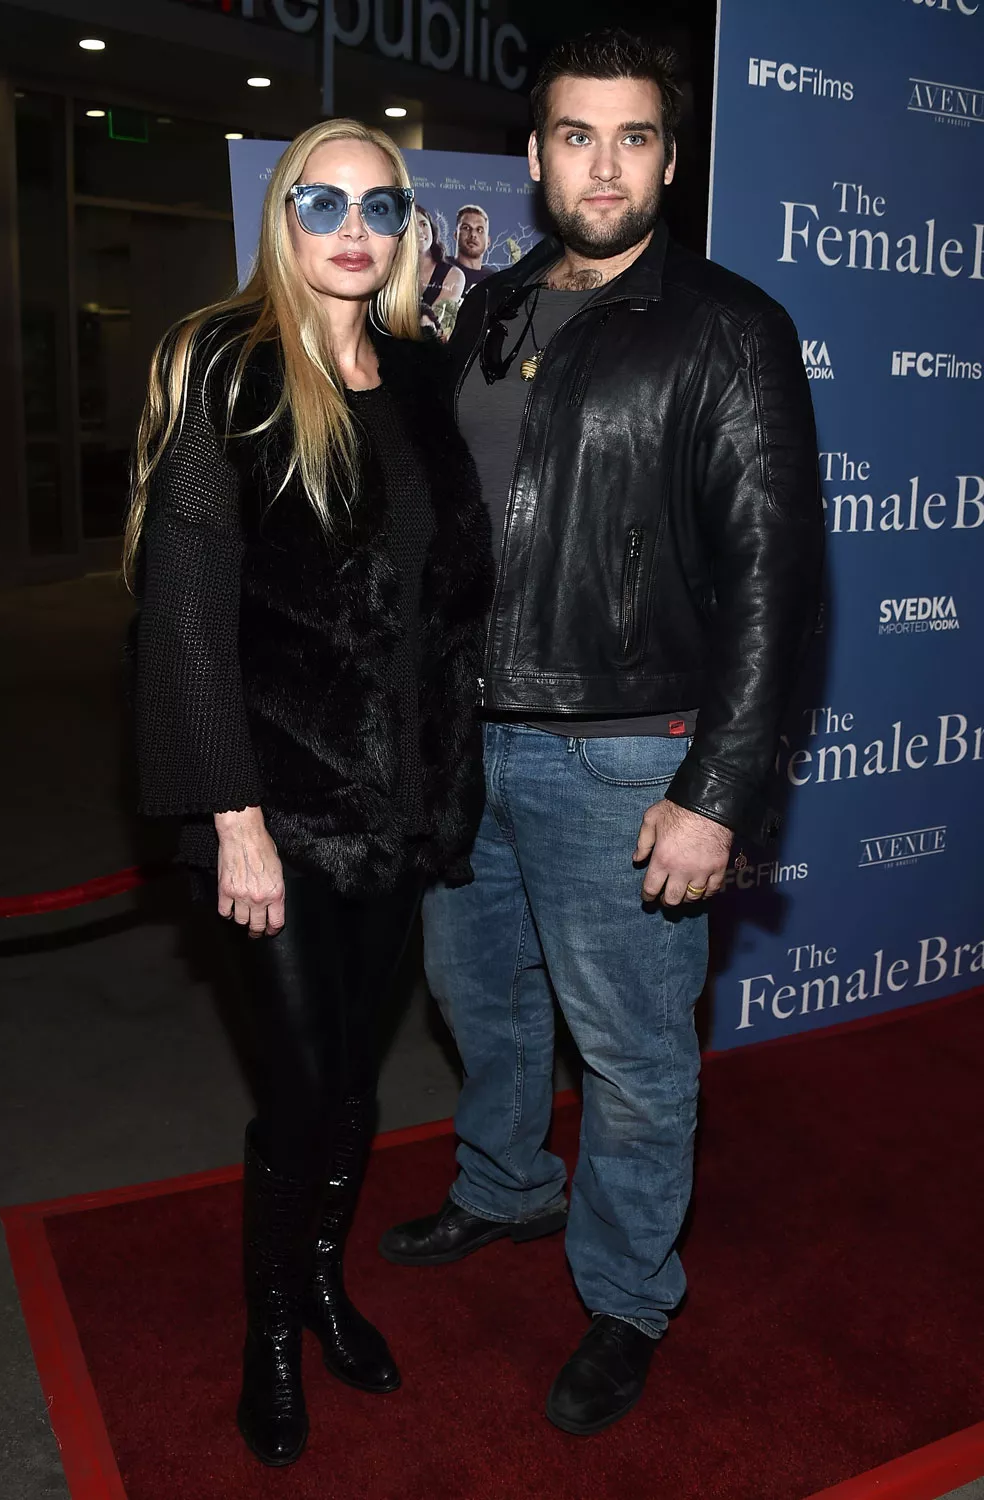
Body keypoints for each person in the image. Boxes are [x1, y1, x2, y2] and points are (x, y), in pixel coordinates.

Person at [380, 29, 824, 1437]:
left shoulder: (728, 324)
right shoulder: (488, 311)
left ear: (671, 159)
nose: (606, 165)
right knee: (481, 1001)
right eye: (578, 136)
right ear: (533, 156)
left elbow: (779, 578)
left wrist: (720, 793)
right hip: (473, 744)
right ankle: (507, 1187)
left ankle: (629, 1292)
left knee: (631, 1053)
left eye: (635, 138)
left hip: (628, 754)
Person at [126, 119, 492, 1467]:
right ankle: (272, 1328)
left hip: (396, 806)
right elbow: (182, 616)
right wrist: (233, 821)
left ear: (405, 229)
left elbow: (441, 597)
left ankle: (327, 1285)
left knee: (354, 1090)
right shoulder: (225, 363)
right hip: (275, 810)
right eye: (322, 200)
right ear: (283, 216)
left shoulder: (412, 370)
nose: (353, 225)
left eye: (379, 205)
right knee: (304, 1085)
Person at [416, 203, 466, 317]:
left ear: (432, 230)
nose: (419, 231)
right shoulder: (390, 272)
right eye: (411, 226)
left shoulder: (454, 276)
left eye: (423, 224)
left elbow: (436, 325)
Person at [453, 204, 496, 291]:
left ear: (488, 241)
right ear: (456, 235)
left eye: (480, 230)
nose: (473, 235)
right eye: (466, 228)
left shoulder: (495, 281)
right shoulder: (439, 267)